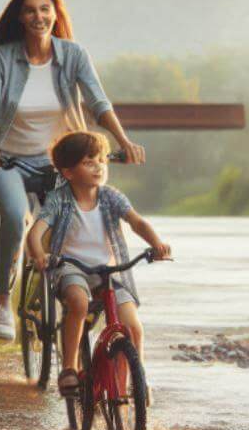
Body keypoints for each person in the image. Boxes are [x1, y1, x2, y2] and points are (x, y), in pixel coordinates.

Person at [0, 0, 145, 341]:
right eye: (30, 10)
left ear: (55, 14)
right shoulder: (2, 57)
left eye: (45, 9)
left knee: (68, 223)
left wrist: (123, 140)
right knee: (14, 216)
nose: (38, 16)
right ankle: (4, 301)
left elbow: (99, 102)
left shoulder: (74, 55)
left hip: (57, 161)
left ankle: (65, 296)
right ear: (20, 18)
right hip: (6, 160)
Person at [26, 130, 171, 396]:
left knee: (132, 326)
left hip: (108, 270)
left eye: (101, 160)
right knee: (78, 304)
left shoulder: (110, 196)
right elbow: (36, 232)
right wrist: (39, 255)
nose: (99, 166)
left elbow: (137, 221)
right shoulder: (60, 199)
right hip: (71, 267)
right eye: (89, 161)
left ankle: (135, 382)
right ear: (68, 172)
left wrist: (156, 243)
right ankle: (68, 369)